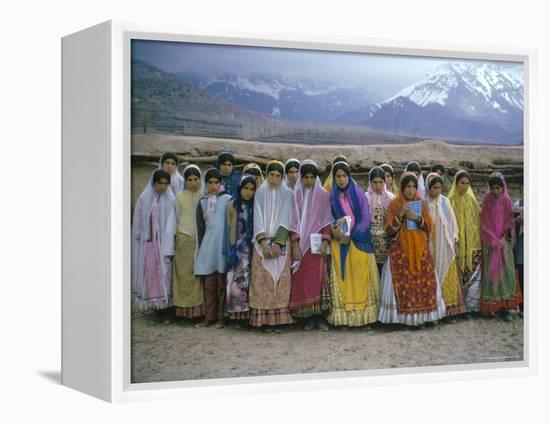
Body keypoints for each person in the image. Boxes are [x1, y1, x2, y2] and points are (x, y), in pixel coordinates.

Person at [378, 172, 446, 326]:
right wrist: (401, 214)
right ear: (402, 187)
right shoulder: (395, 204)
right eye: (407, 187)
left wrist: (417, 218)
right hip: (401, 250)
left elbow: (429, 226)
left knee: (425, 281)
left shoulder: (421, 203)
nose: (410, 190)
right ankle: (403, 319)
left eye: (413, 187)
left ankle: (425, 316)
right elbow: (389, 230)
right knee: (403, 282)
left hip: (420, 249)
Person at [327, 161, 380, 327]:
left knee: (361, 278)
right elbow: (327, 217)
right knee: (344, 282)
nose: (341, 179)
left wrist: (353, 235)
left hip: (358, 243)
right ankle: (344, 318)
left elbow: (365, 218)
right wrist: (333, 229)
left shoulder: (358, 194)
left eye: (344, 176)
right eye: (338, 176)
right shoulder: (331, 196)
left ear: (349, 176)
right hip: (339, 244)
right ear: (334, 178)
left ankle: (365, 317)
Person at [249, 161, 295, 332]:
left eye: (278, 175)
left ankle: (280, 320)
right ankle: (264, 320)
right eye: (271, 175)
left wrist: (278, 243)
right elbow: (257, 216)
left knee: (281, 281)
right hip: (262, 242)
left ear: (282, 177)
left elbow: (286, 216)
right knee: (262, 280)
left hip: (280, 243)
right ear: (266, 175)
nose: (274, 179)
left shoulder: (288, 193)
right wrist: (262, 242)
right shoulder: (260, 193)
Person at [289, 160, 333, 331]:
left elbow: (326, 220)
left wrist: (325, 241)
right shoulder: (295, 194)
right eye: (305, 177)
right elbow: (292, 221)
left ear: (316, 178)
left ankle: (319, 318)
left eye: (312, 177)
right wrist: (295, 243)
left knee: (317, 280)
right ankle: (306, 318)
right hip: (301, 246)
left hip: (316, 246)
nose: (308, 181)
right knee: (302, 281)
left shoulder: (323, 195)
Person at [131, 169, 177, 325]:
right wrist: (140, 238)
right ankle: (157, 310)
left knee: (166, 277)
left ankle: (168, 311)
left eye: (166, 183)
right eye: (160, 183)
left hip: (165, 245)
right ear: (154, 183)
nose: (162, 186)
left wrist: (168, 244)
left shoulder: (171, 200)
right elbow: (138, 221)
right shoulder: (144, 198)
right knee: (152, 277)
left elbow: (172, 224)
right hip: (149, 245)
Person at [479, 172, 522, 321]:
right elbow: (484, 221)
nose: (496, 191)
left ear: (503, 187)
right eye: (493, 188)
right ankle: (492, 307)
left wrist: (503, 237)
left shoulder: (507, 200)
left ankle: (505, 308)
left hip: (504, 243)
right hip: (491, 243)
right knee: (491, 276)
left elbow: (509, 221)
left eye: (498, 188)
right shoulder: (486, 200)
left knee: (506, 274)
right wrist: (492, 238)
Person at [194, 168, 232, 328]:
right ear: (206, 183)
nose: (213, 185)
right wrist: (201, 250)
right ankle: (209, 317)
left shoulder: (228, 200)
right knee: (209, 286)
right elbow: (200, 229)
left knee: (221, 285)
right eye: (210, 182)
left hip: (222, 249)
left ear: (221, 183)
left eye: (217, 182)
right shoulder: (202, 203)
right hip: (207, 249)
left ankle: (222, 318)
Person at [425, 172, 466, 320]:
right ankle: (435, 308)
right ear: (428, 187)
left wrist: (454, 238)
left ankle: (450, 309)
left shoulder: (444, 202)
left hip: (445, 243)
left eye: (439, 188)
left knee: (448, 273)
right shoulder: (424, 203)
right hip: (431, 245)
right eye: (434, 188)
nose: (437, 191)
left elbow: (452, 222)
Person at [173, 165, 205, 320]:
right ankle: (183, 312)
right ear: (185, 181)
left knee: (197, 277)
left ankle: (198, 312)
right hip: (184, 240)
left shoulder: (203, 195)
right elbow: (176, 218)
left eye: (196, 179)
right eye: (189, 180)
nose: (193, 183)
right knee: (184, 275)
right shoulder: (179, 196)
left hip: (200, 241)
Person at [448, 170, 482, 314]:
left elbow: (477, 223)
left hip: (472, 246)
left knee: (471, 276)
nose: (465, 186)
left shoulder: (472, 201)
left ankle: (471, 308)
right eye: (462, 183)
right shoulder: (450, 201)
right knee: (459, 276)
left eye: (467, 184)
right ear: (456, 183)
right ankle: (460, 308)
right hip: (457, 244)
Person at [225, 175, 257, 325]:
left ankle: (249, 315)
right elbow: (228, 227)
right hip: (237, 249)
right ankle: (237, 315)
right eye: (245, 188)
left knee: (250, 281)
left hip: (252, 249)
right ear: (240, 188)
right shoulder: (232, 205)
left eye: (252, 189)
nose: (248, 192)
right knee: (237, 282)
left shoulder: (256, 205)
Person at [366, 167, 395, 276]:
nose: (378, 186)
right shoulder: (366, 198)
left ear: (384, 182)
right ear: (370, 182)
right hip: (370, 240)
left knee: (385, 271)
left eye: (380, 182)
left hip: (386, 241)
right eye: (375, 182)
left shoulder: (391, 198)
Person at [513, 198, 524, 314]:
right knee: (522, 275)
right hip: (522, 247)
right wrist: (516, 220)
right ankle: (523, 307)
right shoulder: (518, 204)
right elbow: (510, 222)